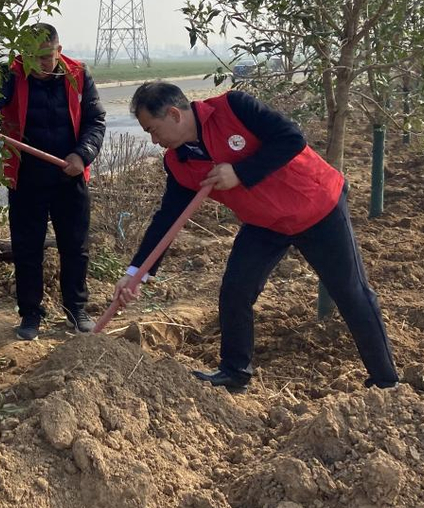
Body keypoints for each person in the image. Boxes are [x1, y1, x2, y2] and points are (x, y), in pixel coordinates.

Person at [115, 81, 398, 392]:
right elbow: (167, 220)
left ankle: (385, 381)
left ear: (173, 114)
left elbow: (290, 139)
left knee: (350, 293)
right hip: (265, 223)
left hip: (316, 206)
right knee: (235, 290)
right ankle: (234, 373)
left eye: (154, 130)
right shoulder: (179, 162)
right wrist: (136, 274)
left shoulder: (234, 108)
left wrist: (240, 172)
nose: (155, 141)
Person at [0, 25, 106, 340]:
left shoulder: (79, 74)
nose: (38, 64)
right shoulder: (10, 75)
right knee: (27, 250)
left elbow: (95, 121)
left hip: (70, 175)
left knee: (75, 246)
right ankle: (30, 315)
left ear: (58, 49)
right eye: (31, 57)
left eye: (45, 57)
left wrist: (82, 155)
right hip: (27, 177)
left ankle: (76, 310)